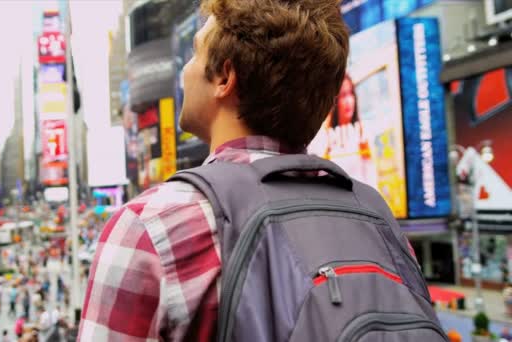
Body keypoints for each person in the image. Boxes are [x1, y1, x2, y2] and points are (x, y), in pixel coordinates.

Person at [78, 0, 350, 339]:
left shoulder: (151, 226)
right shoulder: (379, 223)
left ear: (224, 77)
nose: (185, 70)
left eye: (194, 53)